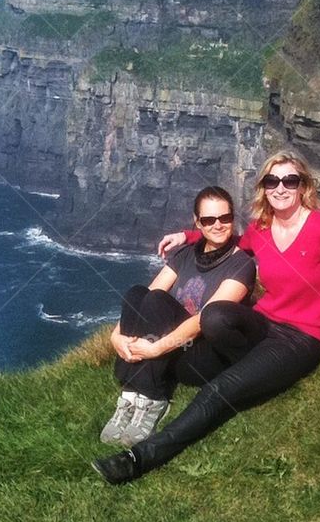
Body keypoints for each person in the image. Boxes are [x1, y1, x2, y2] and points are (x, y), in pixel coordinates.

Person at [92, 151, 320, 484]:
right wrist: (189, 236)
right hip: (262, 324)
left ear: (303, 185)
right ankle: (182, 377)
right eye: (272, 181)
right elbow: (231, 237)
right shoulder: (263, 229)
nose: (281, 188)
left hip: (299, 339)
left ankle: (137, 459)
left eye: (290, 180)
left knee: (218, 392)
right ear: (264, 187)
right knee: (214, 315)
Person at [98, 186, 255, 448]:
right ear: (198, 223)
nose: (218, 225)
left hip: (203, 355)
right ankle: (130, 395)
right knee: (137, 293)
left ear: (233, 218)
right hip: (174, 347)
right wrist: (117, 337)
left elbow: (202, 320)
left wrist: (155, 349)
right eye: (208, 220)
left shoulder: (243, 264)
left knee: (157, 301)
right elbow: (147, 294)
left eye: (225, 218)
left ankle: (152, 397)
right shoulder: (185, 254)